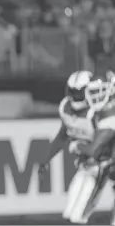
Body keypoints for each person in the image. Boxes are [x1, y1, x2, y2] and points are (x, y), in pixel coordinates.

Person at [38, 70, 115, 224]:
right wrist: (46, 159)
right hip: (91, 164)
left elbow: (96, 148)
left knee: (79, 214)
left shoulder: (103, 112)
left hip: (105, 161)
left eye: (79, 92)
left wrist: (77, 146)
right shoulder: (68, 108)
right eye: (73, 92)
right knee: (72, 214)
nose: (75, 96)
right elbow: (62, 136)